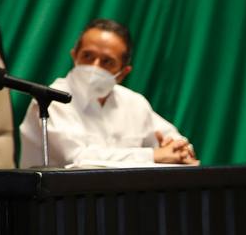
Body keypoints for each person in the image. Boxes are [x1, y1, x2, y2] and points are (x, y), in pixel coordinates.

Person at [18, 19, 198, 167]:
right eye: (87, 56)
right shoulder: (51, 99)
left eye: (107, 62)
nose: (94, 67)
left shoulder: (133, 102)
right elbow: (77, 159)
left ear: (123, 73)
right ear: (74, 56)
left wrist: (179, 150)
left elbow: (171, 138)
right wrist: (152, 155)